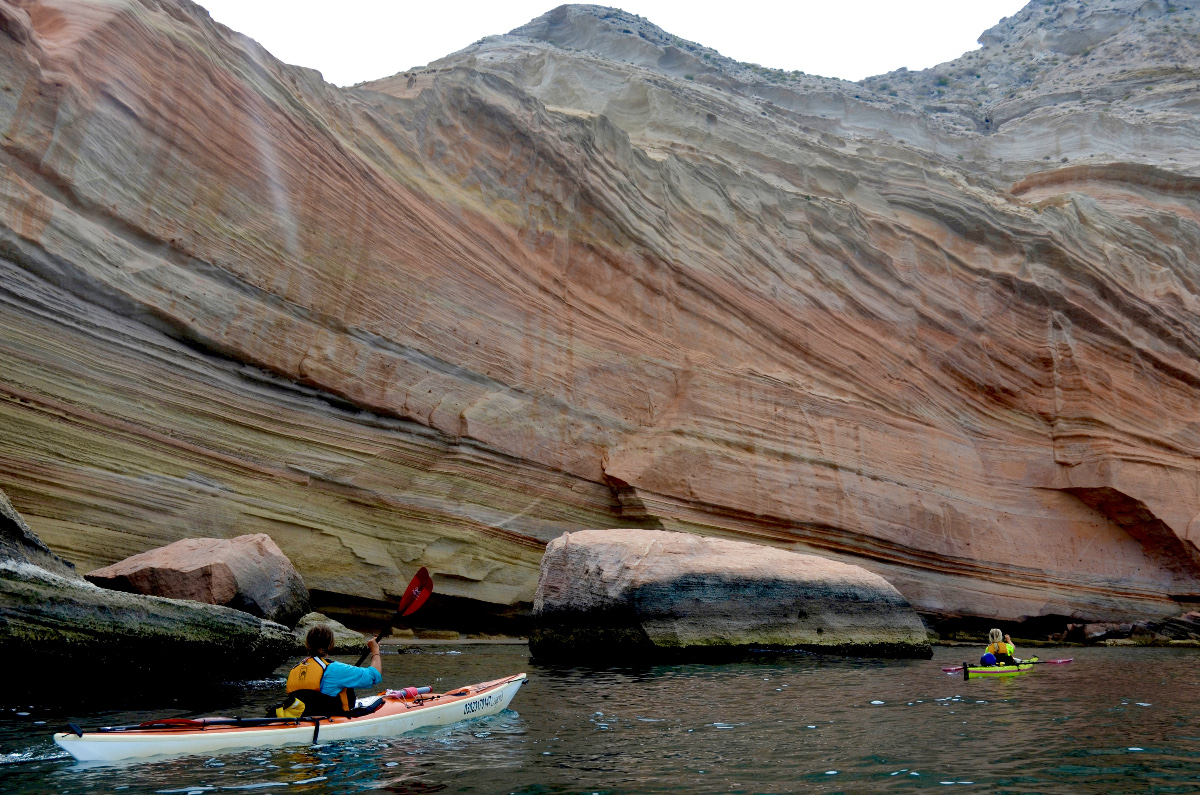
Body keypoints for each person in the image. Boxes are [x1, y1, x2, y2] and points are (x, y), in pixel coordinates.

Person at [276, 625, 382, 718]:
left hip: (301, 718)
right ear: (330, 645)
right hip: (331, 720)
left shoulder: (295, 669)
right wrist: (375, 650)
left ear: (307, 644)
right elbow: (374, 676)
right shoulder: (334, 669)